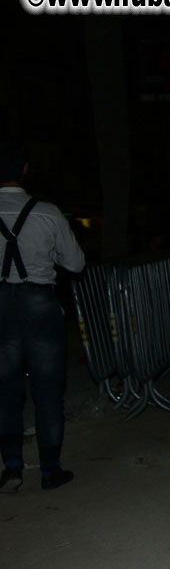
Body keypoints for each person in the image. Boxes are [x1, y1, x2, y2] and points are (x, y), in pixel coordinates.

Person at [0, 143, 85, 492]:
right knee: (48, 390)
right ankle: (50, 470)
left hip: (1, 306)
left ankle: (13, 468)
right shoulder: (47, 212)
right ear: (25, 170)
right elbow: (76, 263)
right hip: (39, 304)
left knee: (6, 391)